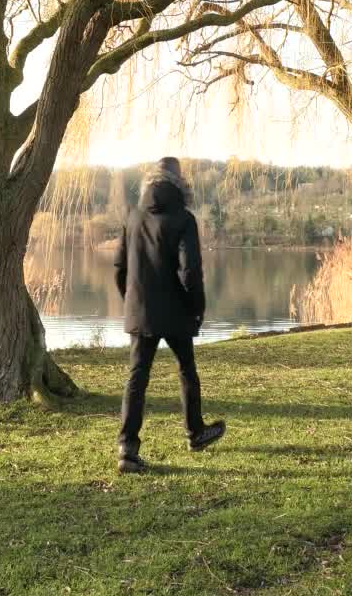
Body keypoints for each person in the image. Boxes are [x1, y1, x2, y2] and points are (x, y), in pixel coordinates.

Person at [114, 157, 226, 474]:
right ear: (181, 183)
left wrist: (131, 303)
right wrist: (196, 309)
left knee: (137, 377)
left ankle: (127, 448)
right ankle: (195, 433)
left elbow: (120, 268)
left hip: (140, 311)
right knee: (186, 371)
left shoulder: (132, 217)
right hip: (175, 310)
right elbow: (190, 272)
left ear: (151, 181)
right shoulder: (183, 219)